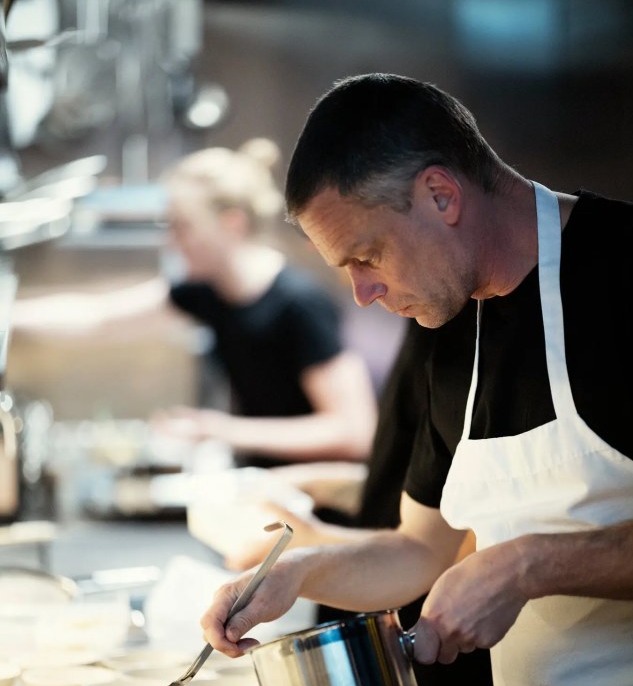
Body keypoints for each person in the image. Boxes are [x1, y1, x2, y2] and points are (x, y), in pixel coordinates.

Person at [200, 73, 633, 686]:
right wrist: (298, 574)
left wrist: (528, 566)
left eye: (365, 256)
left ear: (439, 194)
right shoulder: (449, 330)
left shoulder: (627, 275)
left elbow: (511, 563)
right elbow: (418, 551)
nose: (361, 292)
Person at [222, 318, 503, 686]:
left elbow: (477, 540)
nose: (360, 292)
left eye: (365, 255)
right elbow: (423, 533)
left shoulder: (486, 319)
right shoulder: (436, 322)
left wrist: (311, 543)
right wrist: (297, 566)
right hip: (404, 631)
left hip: (462, 674)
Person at [11, 138, 377, 469]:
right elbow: (99, 317)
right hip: (268, 495)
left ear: (231, 223)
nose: (173, 241)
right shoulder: (208, 292)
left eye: (182, 226)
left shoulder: (299, 303)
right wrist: (8, 314)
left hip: (326, 510)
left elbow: (354, 431)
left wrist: (220, 430)